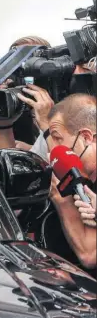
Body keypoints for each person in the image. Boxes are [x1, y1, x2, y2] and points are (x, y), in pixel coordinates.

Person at [47, 94, 96, 271]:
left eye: (57, 138)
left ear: (85, 137)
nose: (54, 148)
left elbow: (89, 255)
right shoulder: (81, 175)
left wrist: (61, 200)